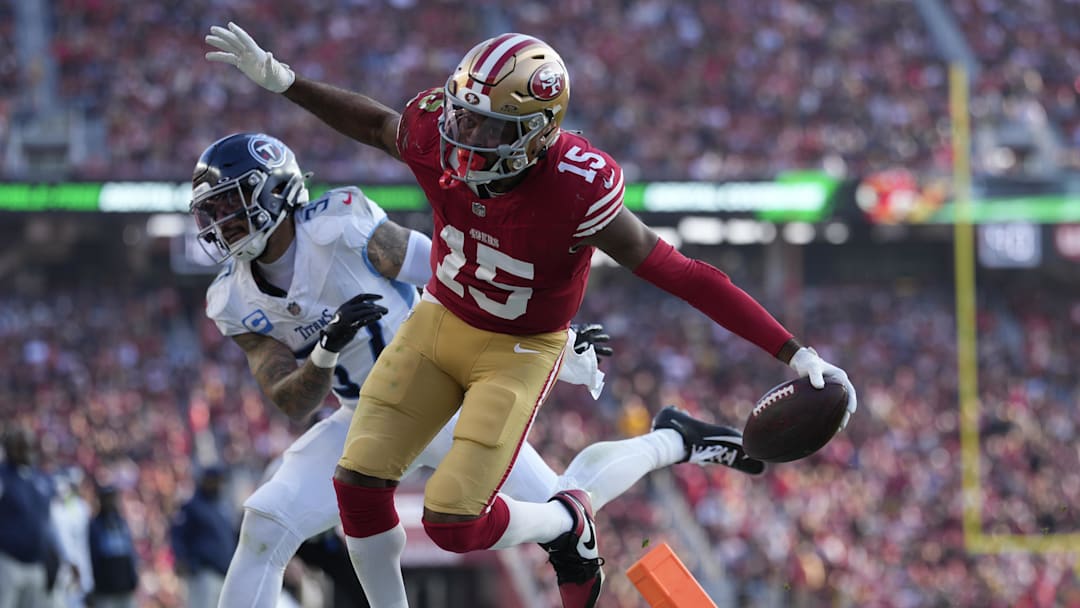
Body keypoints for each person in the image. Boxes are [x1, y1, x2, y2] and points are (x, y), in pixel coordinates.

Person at [205, 24, 858, 608]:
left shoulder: (572, 187)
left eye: (487, 128)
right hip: (431, 335)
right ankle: (631, 471)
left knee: (474, 520)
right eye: (462, 116)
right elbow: (381, 128)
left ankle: (641, 465)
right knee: (315, 502)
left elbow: (680, 272)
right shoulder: (437, 139)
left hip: (512, 350)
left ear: (536, 133)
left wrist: (794, 353)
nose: (461, 136)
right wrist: (284, 82)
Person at [190, 131, 764, 608]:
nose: (220, 220)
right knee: (266, 521)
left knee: (567, 502)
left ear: (274, 189)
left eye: (227, 203)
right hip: (361, 416)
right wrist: (324, 351)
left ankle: (672, 440)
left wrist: (552, 337)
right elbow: (290, 400)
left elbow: (460, 268)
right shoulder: (233, 300)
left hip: (441, 393)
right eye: (210, 210)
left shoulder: (341, 227)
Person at [0, 426, 58, 608]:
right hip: (8, 562)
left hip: (36, 565)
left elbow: (46, 523)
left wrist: (52, 556)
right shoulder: (3, 476)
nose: (25, 450)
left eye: (28, 446)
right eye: (20, 446)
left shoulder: (40, 478)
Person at [170, 467, 237, 608]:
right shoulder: (192, 507)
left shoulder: (222, 507)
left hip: (224, 574)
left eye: (220, 482)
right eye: (215, 481)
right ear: (205, 481)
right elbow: (177, 536)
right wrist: (182, 559)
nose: (218, 485)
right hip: (203, 573)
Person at [86, 485, 138, 608]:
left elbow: (130, 553)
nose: (110, 502)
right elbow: (93, 557)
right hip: (105, 589)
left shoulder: (121, 523)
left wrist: (133, 578)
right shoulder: (95, 526)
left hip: (125, 586)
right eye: (107, 498)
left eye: (112, 498)